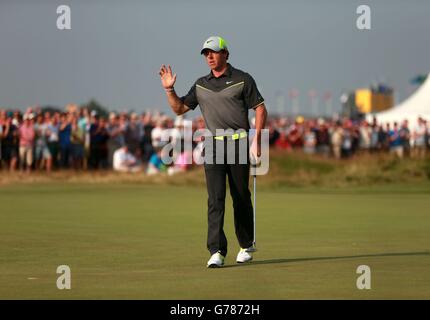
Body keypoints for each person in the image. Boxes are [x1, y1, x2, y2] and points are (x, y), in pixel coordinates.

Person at [159, 36, 267, 268]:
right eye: (206, 53)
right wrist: (169, 89)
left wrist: (257, 139)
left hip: (238, 144)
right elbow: (179, 109)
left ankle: (246, 245)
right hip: (213, 146)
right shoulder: (200, 84)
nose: (209, 56)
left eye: (214, 52)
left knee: (240, 197)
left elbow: (259, 109)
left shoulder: (242, 79)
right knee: (215, 199)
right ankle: (216, 251)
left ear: (226, 54)